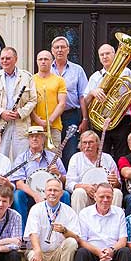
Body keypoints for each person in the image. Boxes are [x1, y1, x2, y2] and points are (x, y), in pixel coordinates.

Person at [23, 178, 80, 261]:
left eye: (56, 190)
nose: (52, 193)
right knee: (32, 255)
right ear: (45, 192)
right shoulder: (36, 209)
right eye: (50, 190)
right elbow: (32, 232)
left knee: (71, 242)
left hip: (57, 255)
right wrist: (37, 250)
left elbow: (77, 237)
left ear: (61, 193)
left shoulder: (68, 211)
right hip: (39, 252)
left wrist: (65, 231)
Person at [9, 126, 69, 229]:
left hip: (51, 192)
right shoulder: (21, 158)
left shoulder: (53, 157)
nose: (34, 139)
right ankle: (22, 234)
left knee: (65, 194)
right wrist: (36, 195)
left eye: (37, 136)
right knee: (18, 195)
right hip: (30, 194)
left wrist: (57, 173)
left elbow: (64, 180)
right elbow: (19, 184)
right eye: (31, 136)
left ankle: (63, 229)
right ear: (28, 139)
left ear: (43, 139)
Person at [0, 47, 37, 162]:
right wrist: (2, 112)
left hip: (21, 123)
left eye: (8, 58)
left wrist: (20, 113)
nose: (4, 61)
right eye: (2, 58)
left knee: (21, 158)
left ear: (16, 59)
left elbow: (33, 100)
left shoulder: (27, 76)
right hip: (0, 122)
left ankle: (19, 180)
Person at [85, 43, 131, 160]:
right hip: (101, 122)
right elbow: (86, 101)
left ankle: (121, 178)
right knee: (101, 155)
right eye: (102, 54)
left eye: (107, 53)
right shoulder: (95, 77)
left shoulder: (126, 72)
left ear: (115, 54)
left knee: (122, 154)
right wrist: (92, 92)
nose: (105, 56)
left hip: (121, 120)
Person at [50, 36, 89, 166]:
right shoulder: (46, 69)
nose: (59, 50)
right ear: (52, 50)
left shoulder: (77, 70)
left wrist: (84, 119)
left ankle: (68, 184)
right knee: (52, 151)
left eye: (62, 47)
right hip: (51, 116)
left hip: (71, 115)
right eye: (57, 47)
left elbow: (82, 95)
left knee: (70, 151)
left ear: (68, 50)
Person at [65, 130, 122, 213]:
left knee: (117, 193)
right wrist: (83, 186)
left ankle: (113, 221)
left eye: (91, 142)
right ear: (81, 145)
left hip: (105, 196)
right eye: (84, 143)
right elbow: (69, 184)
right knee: (78, 192)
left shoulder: (107, 158)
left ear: (97, 144)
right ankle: (78, 224)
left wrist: (116, 182)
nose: (87, 146)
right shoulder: (76, 158)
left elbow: (118, 184)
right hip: (86, 196)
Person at [31, 50, 67, 147]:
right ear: (37, 61)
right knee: (35, 158)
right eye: (40, 59)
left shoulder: (59, 80)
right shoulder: (30, 80)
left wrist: (49, 121)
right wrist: (38, 120)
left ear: (51, 61)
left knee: (53, 159)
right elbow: (27, 103)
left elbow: (62, 103)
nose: (43, 61)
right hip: (34, 126)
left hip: (53, 126)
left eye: (46, 59)